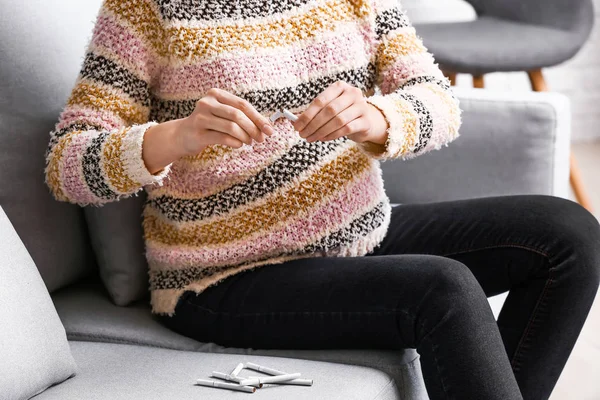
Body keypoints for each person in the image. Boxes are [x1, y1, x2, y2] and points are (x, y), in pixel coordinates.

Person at [44, 0, 600, 399]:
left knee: (569, 235)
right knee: (444, 289)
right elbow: (68, 164)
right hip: (221, 277)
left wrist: (378, 116)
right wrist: (173, 137)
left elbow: (437, 100)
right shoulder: (145, 9)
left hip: (361, 234)